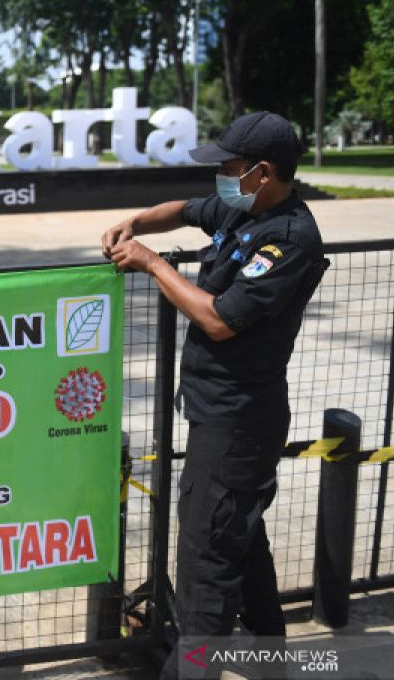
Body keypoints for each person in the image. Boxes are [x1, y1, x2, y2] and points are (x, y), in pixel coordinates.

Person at [101, 112, 327, 678]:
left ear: (263, 172)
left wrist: (151, 263)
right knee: (240, 541)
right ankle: (272, 660)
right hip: (218, 415)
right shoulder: (240, 205)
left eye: (230, 167)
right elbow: (181, 209)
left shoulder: (290, 237)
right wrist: (135, 223)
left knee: (206, 565)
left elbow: (220, 318)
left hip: (238, 424)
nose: (222, 177)